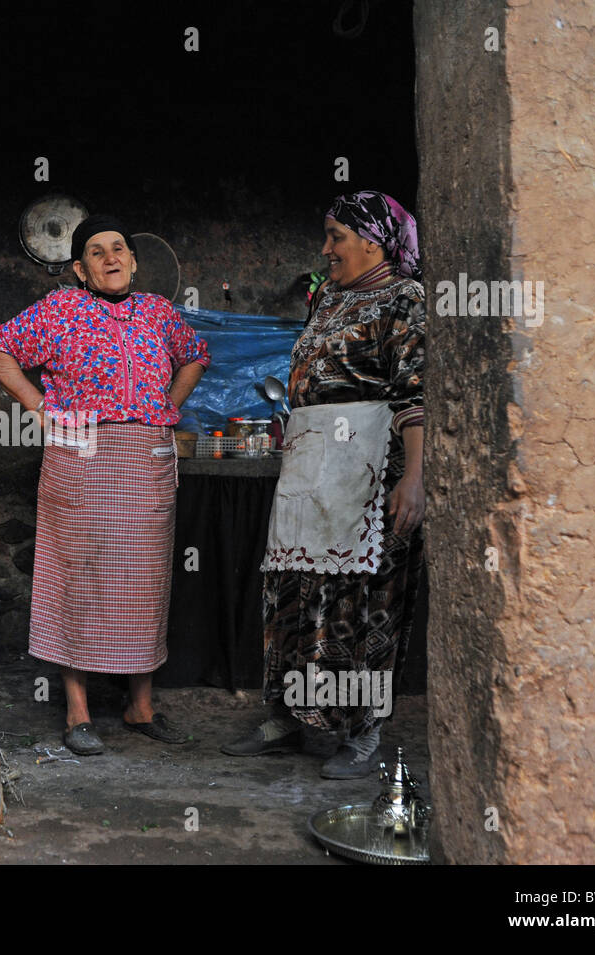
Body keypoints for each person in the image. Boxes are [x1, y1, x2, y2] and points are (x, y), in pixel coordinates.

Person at [0, 215, 210, 755]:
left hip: (146, 458)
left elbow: (196, 355)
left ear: (132, 261)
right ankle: (77, 711)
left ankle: (140, 706)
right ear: (82, 270)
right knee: (78, 575)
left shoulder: (158, 312)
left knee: (143, 579)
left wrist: (167, 407)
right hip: (81, 453)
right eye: (96, 252)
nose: (110, 258)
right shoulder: (60, 309)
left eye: (118, 249)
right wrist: (41, 407)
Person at [223, 190, 425, 778]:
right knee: (292, 593)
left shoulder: (405, 298)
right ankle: (291, 716)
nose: (326, 247)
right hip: (312, 465)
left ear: (373, 240)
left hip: (369, 466)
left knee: (364, 605)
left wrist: (414, 478)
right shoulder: (330, 298)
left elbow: (415, 395)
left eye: (336, 236)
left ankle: (362, 734)